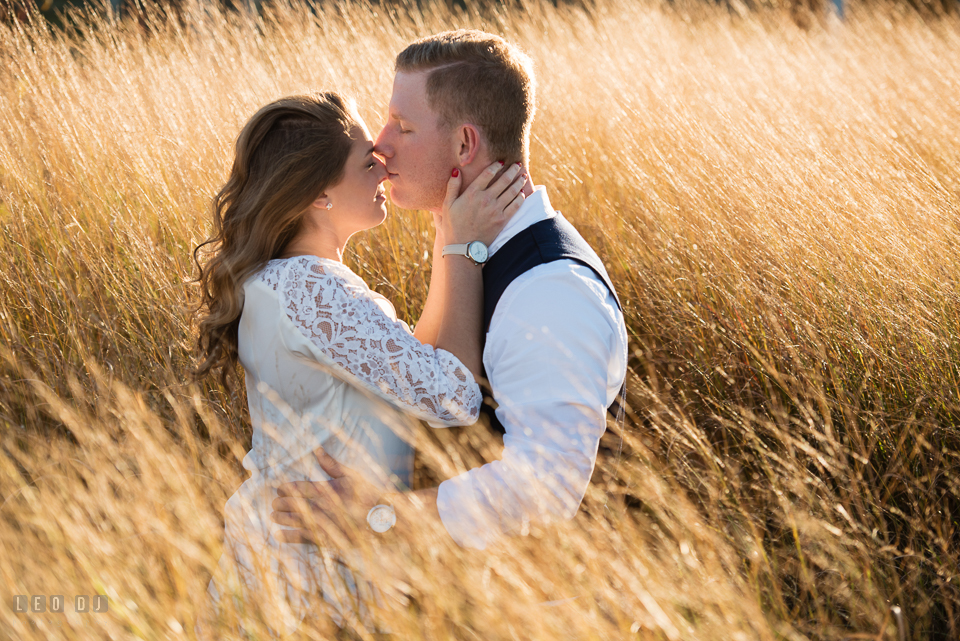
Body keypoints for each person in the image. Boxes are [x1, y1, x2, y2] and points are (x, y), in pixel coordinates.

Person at [271, 31, 628, 557]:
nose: (380, 144)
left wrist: (371, 518)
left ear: (464, 145)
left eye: (404, 126)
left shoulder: (551, 291)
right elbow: (432, 384)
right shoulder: (475, 251)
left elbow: (546, 487)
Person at [192, 92, 526, 636]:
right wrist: (467, 249)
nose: (384, 166)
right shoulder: (311, 291)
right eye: (368, 161)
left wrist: (447, 229)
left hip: (303, 537)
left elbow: (409, 367)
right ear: (320, 193)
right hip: (309, 559)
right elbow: (452, 396)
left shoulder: (287, 281)